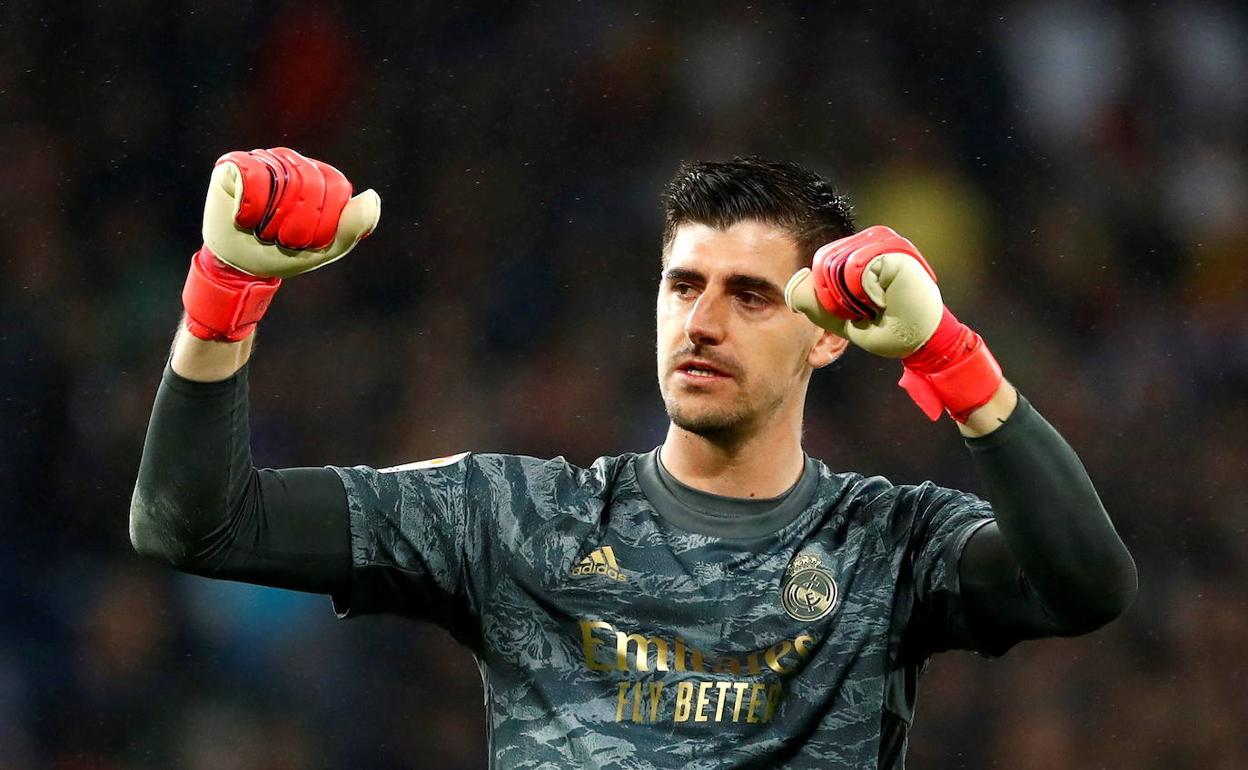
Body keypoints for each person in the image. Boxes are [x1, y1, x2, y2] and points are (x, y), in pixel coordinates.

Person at [130, 148, 1137, 769]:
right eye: (683, 285)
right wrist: (223, 297)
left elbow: (1089, 586)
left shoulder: (890, 541)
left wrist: (951, 359)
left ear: (830, 336)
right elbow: (194, 523)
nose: (702, 321)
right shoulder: (514, 517)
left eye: (750, 296)